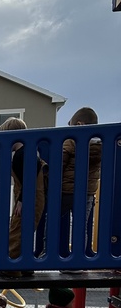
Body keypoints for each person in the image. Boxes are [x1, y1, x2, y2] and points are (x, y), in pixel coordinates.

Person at [0, 117, 46, 268]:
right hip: (34, 198)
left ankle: (11, 267)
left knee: (17, 232)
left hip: (28, 199)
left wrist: (22, 200)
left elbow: (29, 179)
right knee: (25, 232)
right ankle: (25, 267)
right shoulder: (31, 152)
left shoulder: (21, 155)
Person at [59, 107, 102, 256]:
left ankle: (49, 251)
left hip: (65, 191)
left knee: (52, 219)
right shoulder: (101, 145)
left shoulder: (71, 141)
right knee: (81, 226)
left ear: (78, 125)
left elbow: (61, 163)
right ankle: (78, 259)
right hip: (87, 193)